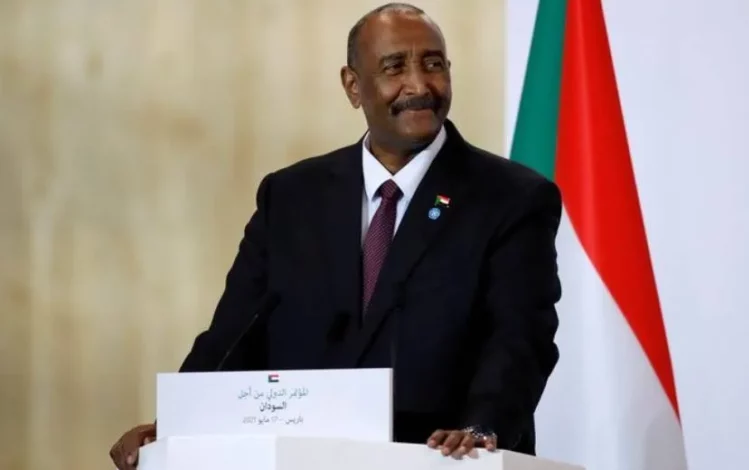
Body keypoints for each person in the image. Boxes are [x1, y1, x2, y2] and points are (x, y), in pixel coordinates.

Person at [109, 3, 562, 468]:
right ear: (352, 85)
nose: (419, 85)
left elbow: (521, 336)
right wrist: (176, 423)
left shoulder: (511, 197)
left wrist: (483, 426)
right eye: (394, 67)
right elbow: (235, 331)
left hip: (440, 458)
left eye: (433, 64)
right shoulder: (290, 196)